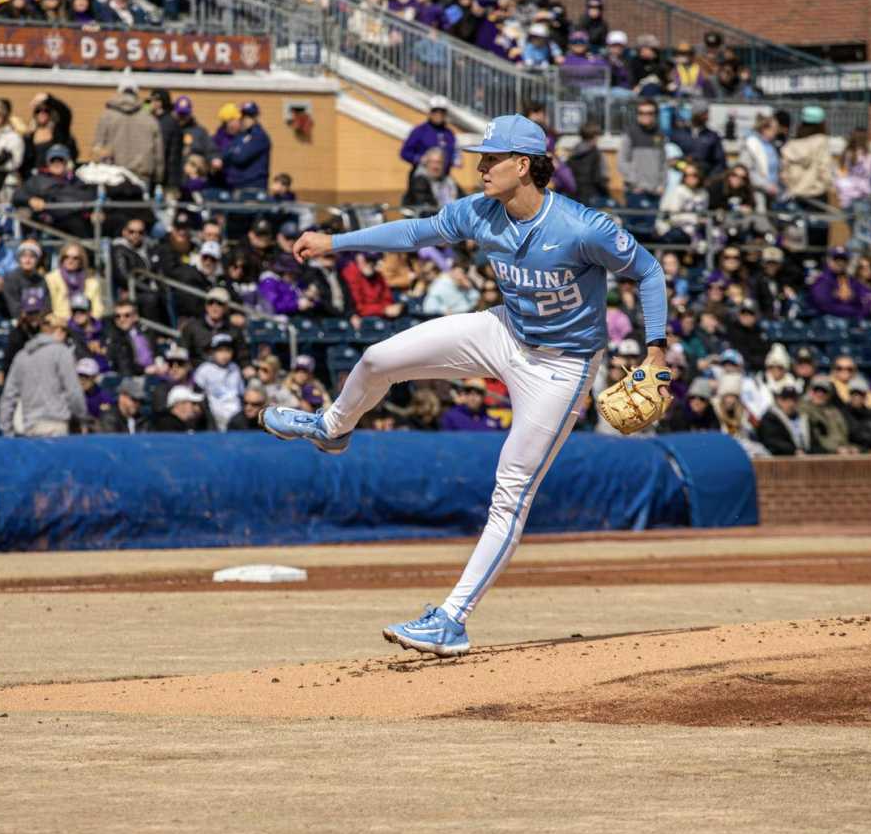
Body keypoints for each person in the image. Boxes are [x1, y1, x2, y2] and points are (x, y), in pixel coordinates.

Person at [262, 114, 667, 657]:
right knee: (380, 357)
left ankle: (451, 619)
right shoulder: (481, 212)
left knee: (511, 490)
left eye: (491, 158)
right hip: (504, 330)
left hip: (563, 366)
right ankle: (332, 427)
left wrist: (656, 349)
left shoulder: (580, 226)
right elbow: (413, 231)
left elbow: (650, 271)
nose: (479, 167)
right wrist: (335, 240)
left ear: (523, 165)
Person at [0, 312, 88, 437]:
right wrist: (82, 418)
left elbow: (8, 396)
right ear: (59, 331)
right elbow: (73, 391)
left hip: (29, 428)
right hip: (57, 426)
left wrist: (6, 430)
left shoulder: (22, 355)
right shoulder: (62, 352)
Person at [399, 97, 457, 173]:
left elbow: (453, 154)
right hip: (422, 174)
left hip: (443, 176)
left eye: (442, 112)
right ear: (430, 112)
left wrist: (455, 159)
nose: (438, 114)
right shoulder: (419, 131)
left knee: (454, 185)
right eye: (435, 111)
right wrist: (419, 158)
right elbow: (404, 153)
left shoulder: (449, 134)